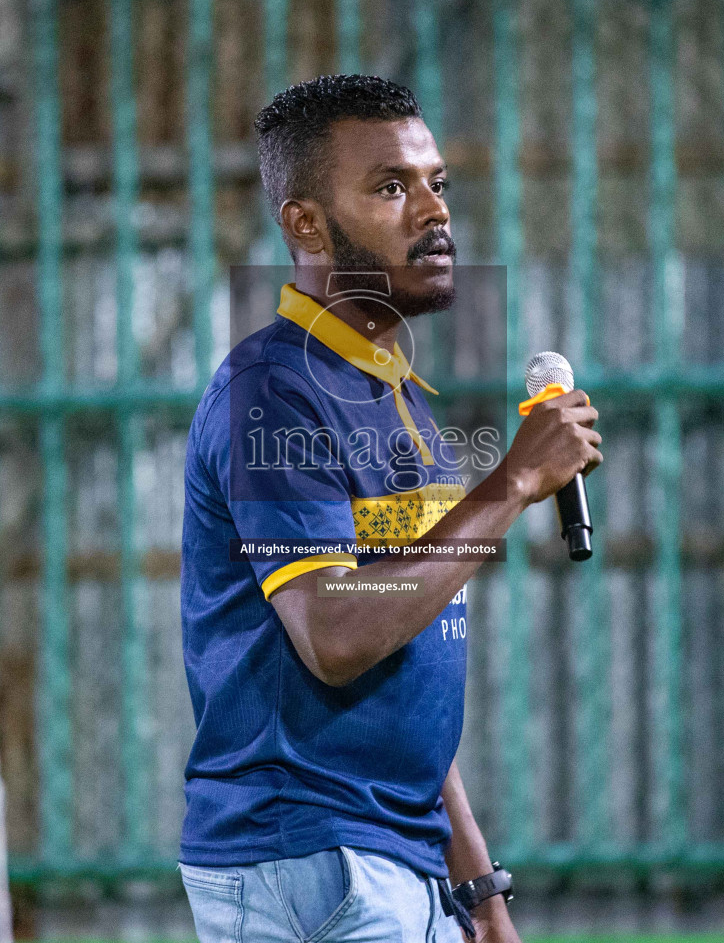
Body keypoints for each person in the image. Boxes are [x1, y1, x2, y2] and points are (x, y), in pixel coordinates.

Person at [179, 74, 602, 943]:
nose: (433, 211)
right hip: (309, 853)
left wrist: (477, 885)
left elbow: (406, 637)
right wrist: (511, 486)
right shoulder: (275, 391)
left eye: (436, 184)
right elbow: (337, 634)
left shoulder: (398, 393)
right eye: (390, 187)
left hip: (400, 854)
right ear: (304, 223)